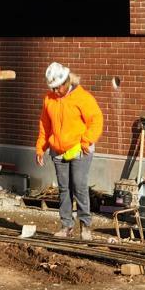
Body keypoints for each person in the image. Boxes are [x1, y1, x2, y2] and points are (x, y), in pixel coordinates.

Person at [35, 61, 103, 240]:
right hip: (58, 151)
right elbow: (45, 125)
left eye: (58, 87)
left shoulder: (82, 97)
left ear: (66, 82)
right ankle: (66, 226)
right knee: (64, 189)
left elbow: (96, 120)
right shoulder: (49, 99)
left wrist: (86, 141)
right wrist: (41, 147)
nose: (56, 91)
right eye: (53, 88)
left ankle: (86, 226)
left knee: (79, 185)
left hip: (80, 149)